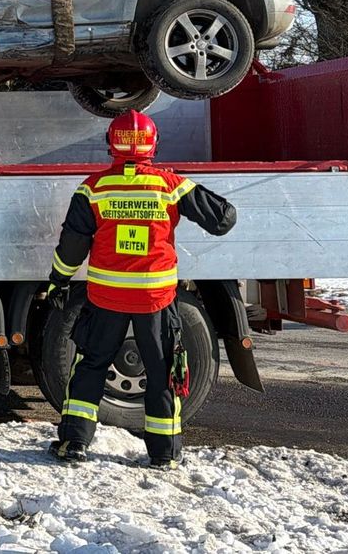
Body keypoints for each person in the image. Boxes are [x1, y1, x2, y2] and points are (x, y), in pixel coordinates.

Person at [45, 110, 236, 469]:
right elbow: (223, 219)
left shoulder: (93, 189)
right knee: (162, 371)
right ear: (153, 145)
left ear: (111, 144)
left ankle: (74, 443)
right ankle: (164, 454)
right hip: (155, 300)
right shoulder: (170, 185)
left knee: (91, 366)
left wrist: (58, 279)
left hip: (106, 299)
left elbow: (73, 245)